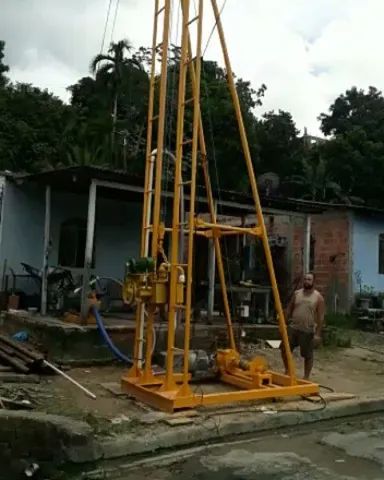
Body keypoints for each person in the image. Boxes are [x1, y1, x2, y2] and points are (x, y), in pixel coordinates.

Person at [281, 272, 325, 379]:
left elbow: (320, 317)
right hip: (293, 328)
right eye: (305, 279)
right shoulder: (297, 294)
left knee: (308, 355)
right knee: (284, 348)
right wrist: (284, 324)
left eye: (309, 279)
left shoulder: (318, 297)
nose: (306, 281)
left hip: (307, 330)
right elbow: (289, 309)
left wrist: (318, 334)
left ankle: (306, 377)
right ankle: (288, 370)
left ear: (313, 281)